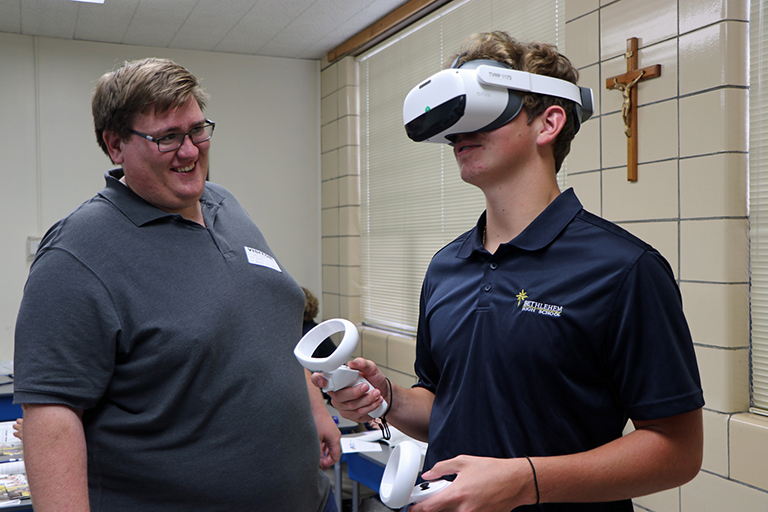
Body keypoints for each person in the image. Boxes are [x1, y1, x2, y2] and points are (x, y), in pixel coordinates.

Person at [315, 31, 704, 512]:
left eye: (481, 111)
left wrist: (525, 481)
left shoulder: (624, 269)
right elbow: (450, 407)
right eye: (452, 122)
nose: (459, 133)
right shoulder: (446, 267)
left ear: (549, 123)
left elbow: (678, 450)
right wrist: (387, 398)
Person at [13, 57, 340, 512]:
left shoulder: (225, 203)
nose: (190, 151)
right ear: (115, 145)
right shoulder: (76, 253)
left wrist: (314, 408)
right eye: (167, 137)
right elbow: (51, 419)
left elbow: (265, 323)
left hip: (307, 497)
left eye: (197, 130)